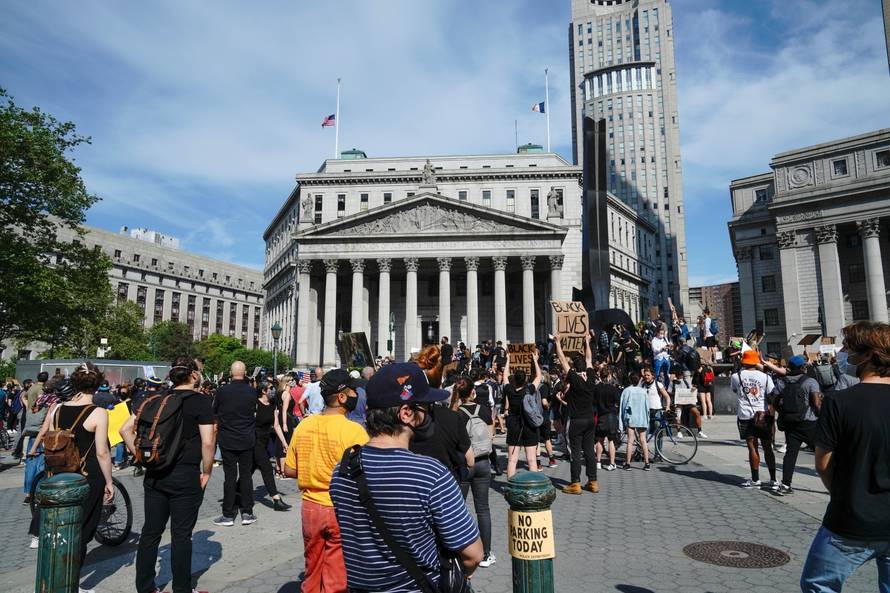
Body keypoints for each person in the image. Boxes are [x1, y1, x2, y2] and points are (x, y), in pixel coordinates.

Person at [329, 362, 482, 592]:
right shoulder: (431, 475)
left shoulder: (342, 470)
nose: (431, 413)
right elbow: (474, 554)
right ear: (406, 413)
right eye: (426, 407)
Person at [801, 321, 890, 592]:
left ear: (867, 356)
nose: (841, 353)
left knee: (819, 584)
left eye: (847, 348)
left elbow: (823, 464)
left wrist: (841, 492)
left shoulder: (840, 402)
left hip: (852, 519)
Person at [121, 356, 215, 593]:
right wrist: (207, 471)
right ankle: (182, 589)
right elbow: (207, 442)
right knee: (182, 535)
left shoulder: (156, 398)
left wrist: (141, 456)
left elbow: (124, 429)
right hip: (185, 474)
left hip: (155, 473)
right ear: (193, 375)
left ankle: (145, 587)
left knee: (151, 532)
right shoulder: (200, 401)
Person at [31, 363, 113, 593]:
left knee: (57, 527)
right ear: (97, 386)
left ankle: (53, 578)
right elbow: (102, 452)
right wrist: (109, 481)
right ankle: (71, 583)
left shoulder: (57, 408)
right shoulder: (98, 412)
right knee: (82, 531)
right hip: (87, 475)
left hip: (57, 472)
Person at [285, 368, 368, 593]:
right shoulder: (355, 431)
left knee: (312, 566)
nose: (355, 395)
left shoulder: (304, 426)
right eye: (352, 391)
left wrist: (313, 467)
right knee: (337, 572)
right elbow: (365, 474)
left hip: (311, 506)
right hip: (340, 507)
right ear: (341, 397)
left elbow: (289, 469)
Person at [454, 377, 496, 568]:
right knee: (483, 509)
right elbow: (491, 435)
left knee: (458, 508)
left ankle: (459, 551)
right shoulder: (485, 410)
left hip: (464, 464)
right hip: (483, 463)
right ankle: (486, 553)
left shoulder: (456, 414)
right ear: (472, 392)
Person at [212, 361, 258, 526]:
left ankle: (228, 514)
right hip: (246, 438)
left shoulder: (222, 391)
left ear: (231, 373)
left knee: (229, 477)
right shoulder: (252, 392)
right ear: (245, 373)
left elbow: (215, 413)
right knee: (246, 476)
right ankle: (247, 512)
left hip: (228, 438)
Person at [554, 332, 599, 494]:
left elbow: (562, 360)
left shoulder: (573, 377)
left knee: (575, 452)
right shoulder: (591, 377)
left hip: (576, 420)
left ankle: (575, 483)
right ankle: (593, 481)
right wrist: (587, 342)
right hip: (589, 419)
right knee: (589, 451)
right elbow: (589, 359)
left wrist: (558, 343)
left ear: (574, 368)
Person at [773, 356, 821, 496]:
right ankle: (836, 483)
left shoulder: (782, 382)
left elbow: (774, 401)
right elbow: (817, 404)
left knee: (790, 454)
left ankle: (786, 484)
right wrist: (822, 417)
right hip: (809, 423)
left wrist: (782, 412)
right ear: (802, 367)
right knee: (822, 452)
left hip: (790, 424)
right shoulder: (810, 382)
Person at [732, 349, 778, 489]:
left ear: (743, 362)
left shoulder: (736, 376)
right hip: (763, 414)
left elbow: (735, 391)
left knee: (752, 446)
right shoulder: (765, 377)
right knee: (767, 447)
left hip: (745, 415)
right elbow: (772, 394)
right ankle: (773, 480)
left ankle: (755, 479)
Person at [501, 346, 542, 478]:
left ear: (514, 380)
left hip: (513, 425)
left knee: (512, 460)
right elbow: (539, 377)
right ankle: (534, 487)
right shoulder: (529, 390)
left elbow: (505, 376)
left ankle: (510, 487)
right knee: (531, 460)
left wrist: (508, 359)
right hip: (528, 426)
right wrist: (535, 360)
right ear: (525, 380)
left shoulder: (509, 390)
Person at [253, 381, 291, 511]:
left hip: (265, 441)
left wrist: (284, 443)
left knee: (250, 469)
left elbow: (276, 426)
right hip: (254, 440)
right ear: (263, 391)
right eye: (270, 388)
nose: (273, 390)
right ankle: (276, 499)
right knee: (267, 468)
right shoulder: (255, 404)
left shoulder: (272, 404)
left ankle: (236, 492)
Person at [619, 371, 651, 470]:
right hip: (642, 417)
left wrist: (621, 421)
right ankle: (647, 463)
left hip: (631, 417)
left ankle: (628, 463)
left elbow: (622, 406)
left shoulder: (627, 391)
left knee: (630, 440)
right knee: (643, 440)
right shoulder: (643, 391)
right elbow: (647, 407)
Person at [593, 366, 621, 471]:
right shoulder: (613, 388)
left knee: (599, 440)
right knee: (611, 440)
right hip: (610, 415)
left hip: (600, 415)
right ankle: (612, 463)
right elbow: (618, 402)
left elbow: (593, 402)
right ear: (609, 376)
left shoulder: (597, 388)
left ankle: (598, 462)